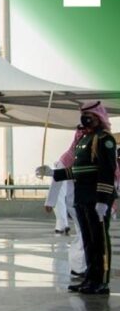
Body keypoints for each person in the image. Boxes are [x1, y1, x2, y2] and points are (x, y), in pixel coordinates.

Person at [46, 101, 117, 295]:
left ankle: (101, 281)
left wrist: (103, 200)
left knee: (99, 241)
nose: (85, 118)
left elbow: (107, 171)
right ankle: (90, 279)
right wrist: (53, 173)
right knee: (88, 240)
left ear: (98, 117)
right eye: (84, 114)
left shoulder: (104, 139)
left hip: (97, 198)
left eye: (90, 115)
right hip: (82, 197)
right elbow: (78, 171)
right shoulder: (84, 140)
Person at [44, 158, 84, 276]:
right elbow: (57, 180)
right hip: (75, 202)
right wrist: (50, 202)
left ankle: (81, 266)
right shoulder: (68, 158)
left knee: (85, 235)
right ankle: (80, 267)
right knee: (84, 234)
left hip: (85, 200)